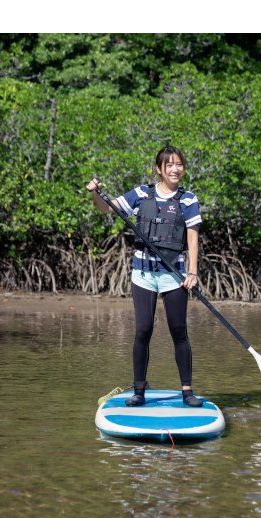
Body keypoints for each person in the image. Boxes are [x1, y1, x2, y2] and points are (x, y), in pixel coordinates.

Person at [86, 146, 203, 407]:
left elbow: (193, 237)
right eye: (169, 165)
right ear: (159, 169)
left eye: (179, 164)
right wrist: (95, 194)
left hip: (174, 275)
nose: (175, 169)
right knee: (143, 330)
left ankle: (187, 391)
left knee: (179, 331)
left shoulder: (188, 199)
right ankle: (139, 391)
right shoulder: (142, 193)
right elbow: (108, 208)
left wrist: (192, 272)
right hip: (143, 274)